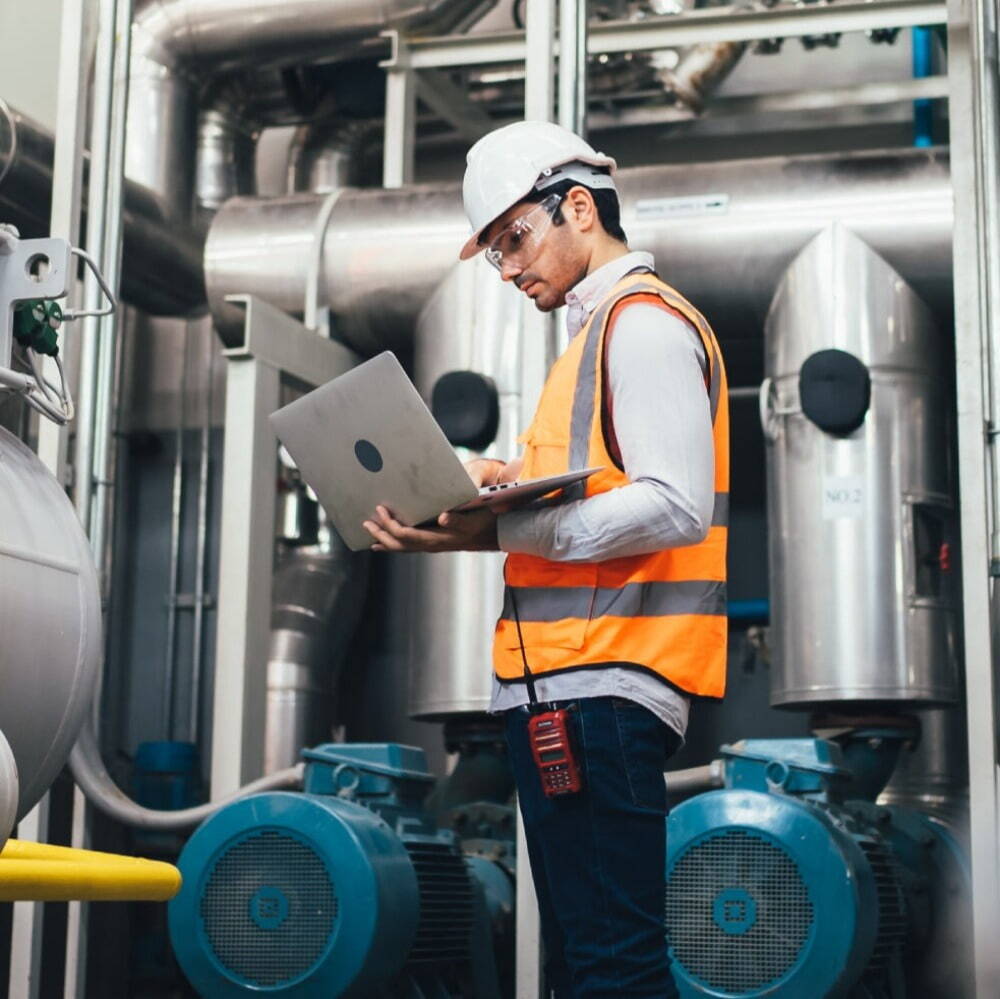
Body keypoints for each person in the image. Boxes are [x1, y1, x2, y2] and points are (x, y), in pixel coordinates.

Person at [363, 120, 729, 998]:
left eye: (515, 239)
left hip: (604, 687)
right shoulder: (593, 340)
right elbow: (585, 486)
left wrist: (496, 529)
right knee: (585, 963)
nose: (511, 268)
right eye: (494, 254)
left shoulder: (639, 326)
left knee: (613, 965)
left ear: (577, 206)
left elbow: (675, 503)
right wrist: (484, 486)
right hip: (571, 690)